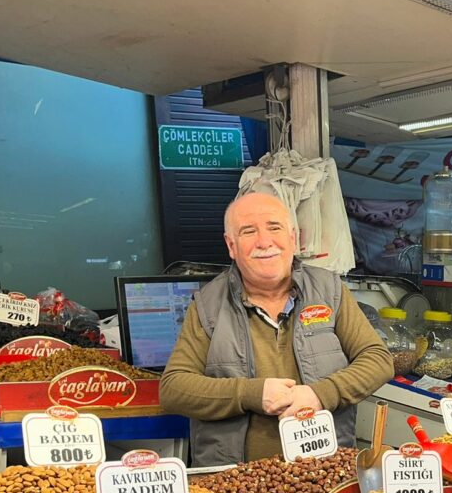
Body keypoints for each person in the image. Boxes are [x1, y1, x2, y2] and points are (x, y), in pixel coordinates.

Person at [160, 191, 393, 465]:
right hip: (234, 482)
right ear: (231, 245)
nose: (264, 241)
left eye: (274, 228)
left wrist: (320, 394)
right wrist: (250, 394)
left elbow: (378, 360)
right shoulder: (208, 305)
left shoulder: (329, 290)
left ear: (293, 238)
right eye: (248, 231)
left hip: (326, 472)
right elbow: (174, 388)